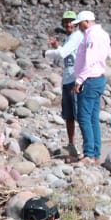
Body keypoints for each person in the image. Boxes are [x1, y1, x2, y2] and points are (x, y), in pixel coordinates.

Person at [71, 10, 111, 165]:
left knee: (84, 117)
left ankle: (89, 153)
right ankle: (95, 152)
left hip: (89, 80)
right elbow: (109, 54)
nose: (79, 27)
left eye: (80, 24)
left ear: (86, 22)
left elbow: (89, 60)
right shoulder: (103, 34)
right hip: (99, 78)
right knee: (93, 117)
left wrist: (79, 81)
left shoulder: (91, 36)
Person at [45, 11, 81, 156]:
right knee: (68, 114)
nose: (68, 24)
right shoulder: (69, 38)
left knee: (79, 113)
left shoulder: (77, 36)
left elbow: (62, 54)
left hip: (75, 78)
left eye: (71, 21)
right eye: (66, 21)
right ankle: (71, 144)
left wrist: (46, 53)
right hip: (67, 78)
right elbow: (66, 53)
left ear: (76, 23)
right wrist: (57, 46)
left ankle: (87, 148)